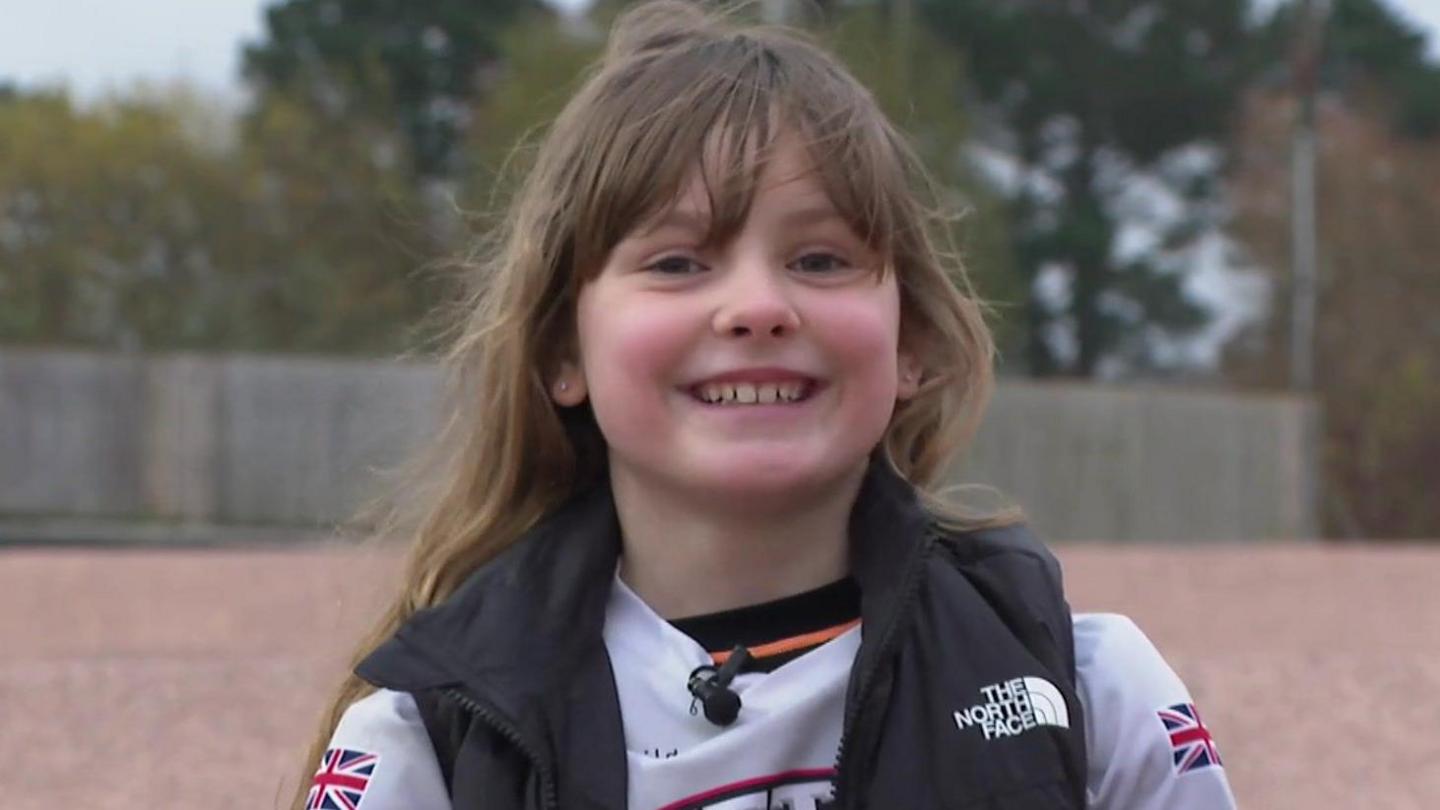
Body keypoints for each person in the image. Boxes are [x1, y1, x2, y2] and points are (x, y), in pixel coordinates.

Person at [295, 2, 1237, 809]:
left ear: (910, 344)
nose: (756, 308)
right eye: (677, 262)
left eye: (820, 260)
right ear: (559, 350)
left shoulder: (1088, 692)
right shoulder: (434, 740)